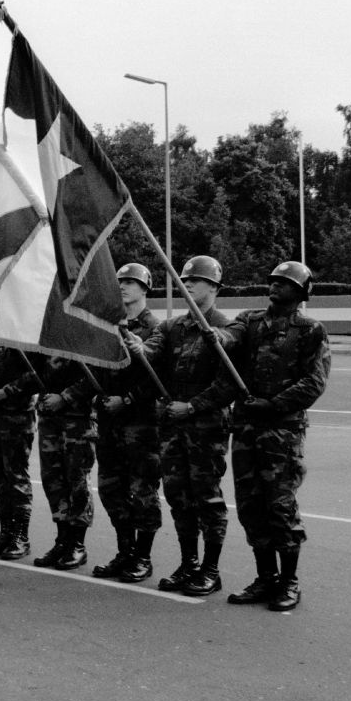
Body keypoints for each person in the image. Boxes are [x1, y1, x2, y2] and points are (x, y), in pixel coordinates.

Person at [206, 261, 331, 612]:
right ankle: (265, 578)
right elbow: (231, 334)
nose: (275, 286)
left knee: (280, 505)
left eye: (285, 283)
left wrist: (274, 404)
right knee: (250, 506)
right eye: (273, 281)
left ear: (301, 292)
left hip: (281, 431)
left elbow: (314, 382)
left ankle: (289, 581)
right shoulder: (250, 320)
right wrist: (218, 336)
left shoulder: (310, 330)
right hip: (246, 429)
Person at [123, 255, 234, 597]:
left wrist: (193, 406)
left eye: (194, 281)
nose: (186, 285)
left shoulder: (225, 329)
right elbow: (151, 350)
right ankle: (189, 563)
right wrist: (138, 346)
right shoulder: (172, 328)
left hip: (206, 430)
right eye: (184, 281)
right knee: (179, 499)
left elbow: (228, 383)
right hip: (173, 430)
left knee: (207, 500)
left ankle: (210, 569)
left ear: (213, 287)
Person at [92, 263, 165, 583]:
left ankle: (143, 557)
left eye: (132, 283)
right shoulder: (109, 325)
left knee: (143, 492)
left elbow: (160, 378)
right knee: (111, 489)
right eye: (120, 282)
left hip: (140, 423)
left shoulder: (156, 328)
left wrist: (129, 400)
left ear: (145, 290)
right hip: (109, 421)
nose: (123, 287)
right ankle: (125, 551)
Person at [0, 345, 42, 560]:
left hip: (16, 416)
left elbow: (37, 374)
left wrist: (5, 392)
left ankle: (21, 537)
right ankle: (7, 532)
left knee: (16, 476)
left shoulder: (25, 335)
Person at [33, 355, 99, 570]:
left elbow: (97, 375)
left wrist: (65, 397)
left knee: (77, 481)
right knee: (53, 480)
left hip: (78, 417)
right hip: (50, 415)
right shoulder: (50, 332)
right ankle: (62, 541)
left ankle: (77, 545)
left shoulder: (88, 332)